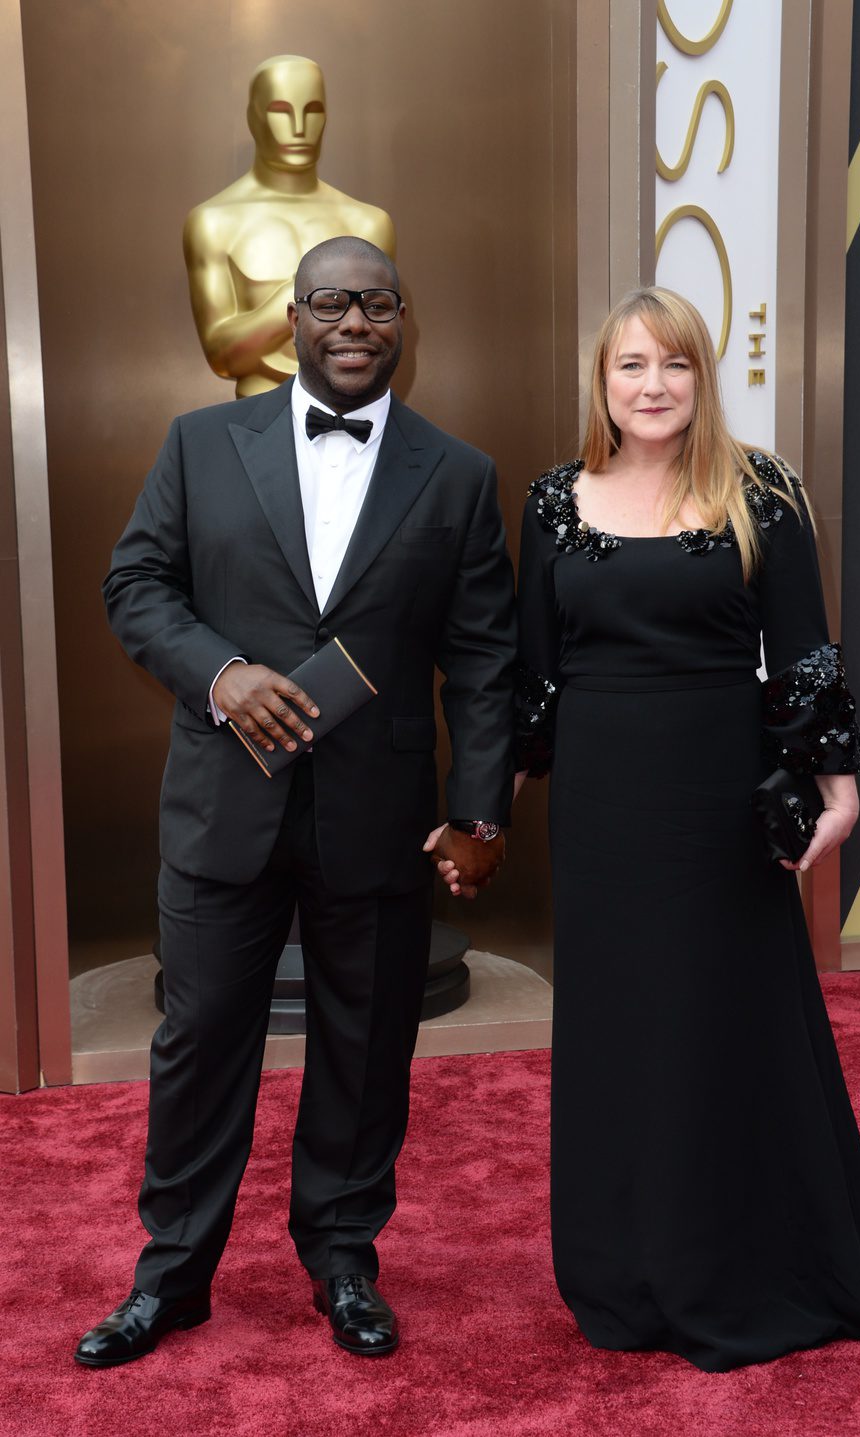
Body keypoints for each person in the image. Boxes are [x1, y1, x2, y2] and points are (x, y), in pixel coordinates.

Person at [76, 236, 515, 1366]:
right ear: (292, 317)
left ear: (404, 319)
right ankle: (171, 1278)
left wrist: (478, 811)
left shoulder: (457, 474)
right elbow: (136, 584)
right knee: (200, 1043)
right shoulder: (198, 444)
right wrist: (219, 674)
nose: (355, 324)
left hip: (379, 816)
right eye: (330, 303)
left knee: (366, 1053)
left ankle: (344, 1261)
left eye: (377, 304)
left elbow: (482, 655)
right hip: (226, 810)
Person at [513, 286, 860, 1372]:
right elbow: (531, 670)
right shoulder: (552, 500)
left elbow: (805, 652)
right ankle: (627, 1269)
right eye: (631, 367)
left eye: (674, 366)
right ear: (602, 384)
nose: (653, 386)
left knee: (728, 1019)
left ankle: (754, 1256)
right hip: (604, 806)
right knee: (623, 1032)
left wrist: (839, 786)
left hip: (719, 794)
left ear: (703, 378)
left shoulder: (759, 488)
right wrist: (487, 798)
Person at [184, 55, 396, 396]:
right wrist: (306, 292)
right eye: (281, 111)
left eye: (312, 110)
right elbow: (221, 355)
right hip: (257, 422)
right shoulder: (213, 222)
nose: (299, 127)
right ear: (254, 118)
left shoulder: (368, 223)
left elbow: (380, 343)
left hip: (355, 418)